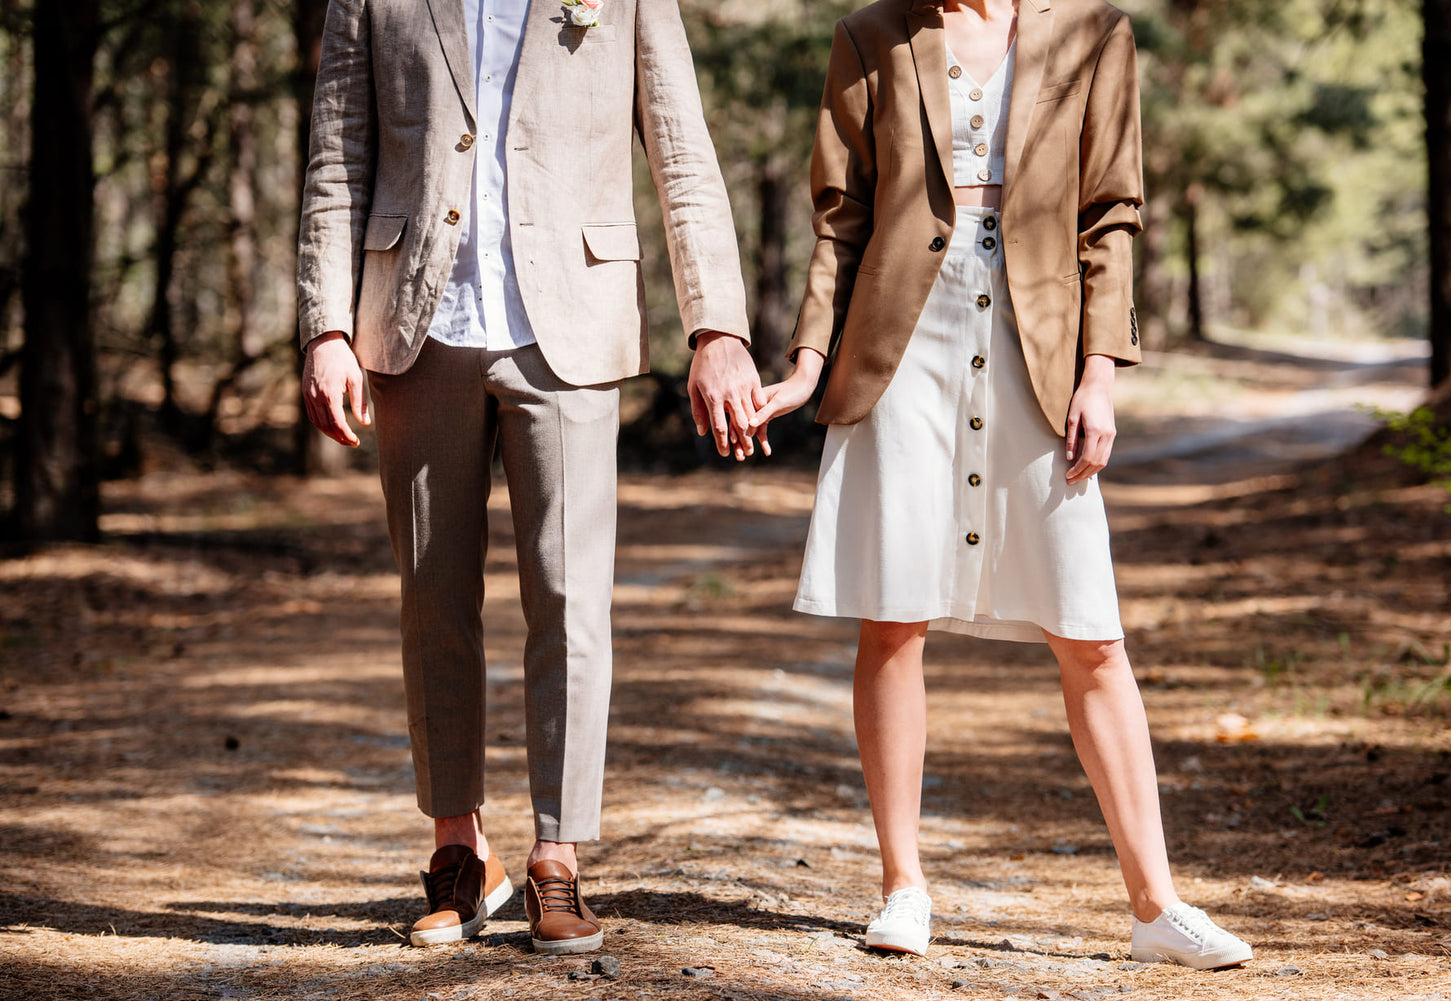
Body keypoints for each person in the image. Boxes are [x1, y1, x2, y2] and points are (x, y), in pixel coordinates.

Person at [752, 0, 1253, 970]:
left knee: (1090, 629)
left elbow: (1111, 211)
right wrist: (810, 358)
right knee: (894, 614)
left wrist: (1100, 370)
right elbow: (841, 215)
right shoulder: (873, 34)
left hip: (1040, 346)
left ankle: (1156, 903)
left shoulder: (1096, 34)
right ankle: (903, 883)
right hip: (901, 345)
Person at [297, 0, 761, 954]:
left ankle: (558, 857)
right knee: (433, 603)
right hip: (415, 324)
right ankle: (459, 856)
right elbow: (337, 157)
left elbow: (681, 152)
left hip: (573, 327)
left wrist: (717, 326)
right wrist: (326, 325)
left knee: (570, 603)